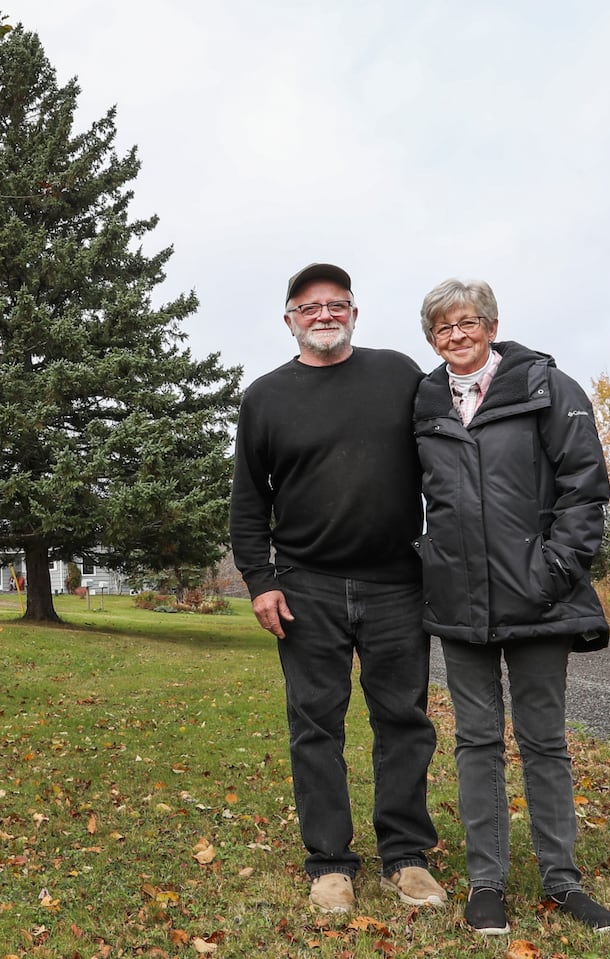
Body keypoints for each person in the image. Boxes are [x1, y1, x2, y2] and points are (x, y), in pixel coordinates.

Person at [230, 263, 445, 915]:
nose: (324, 314)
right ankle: (329, 862)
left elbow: (445, 460)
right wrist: (260, 581)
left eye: (337, 304)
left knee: (403, 722)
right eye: (310, 305)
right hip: (306, 587)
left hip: (396, 584)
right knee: (315, 725)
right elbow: (247, 504)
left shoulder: (398, 375)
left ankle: (406, 857)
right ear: (290, 319)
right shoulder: (266, 397)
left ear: (354, 312)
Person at [411, 277, 610, 936]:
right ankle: (487, 882)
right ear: (432, 338)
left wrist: (555, 569)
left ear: (491, 325)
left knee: (543, 742)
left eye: (468, 322)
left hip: (538, 599)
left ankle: (562, 878)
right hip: (459, 605)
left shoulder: (546, 388)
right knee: (476, 743)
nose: (457, 335)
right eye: (443, 328)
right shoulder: (421, 402)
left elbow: (585, 488)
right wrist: (426, 558)